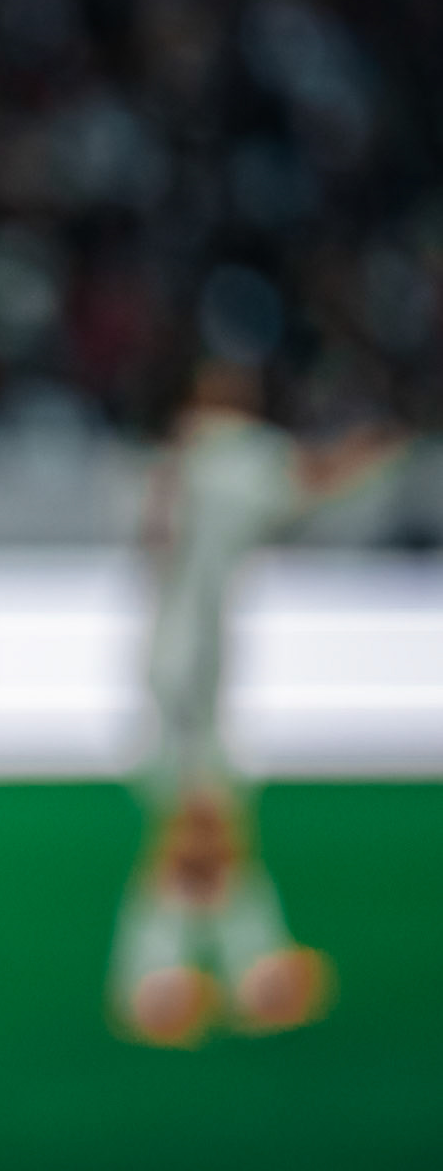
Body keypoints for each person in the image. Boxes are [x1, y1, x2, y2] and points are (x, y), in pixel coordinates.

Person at [108, 356, 404, 1048]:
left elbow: (152, 539)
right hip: (194, 662)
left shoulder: (174, 459)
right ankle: (171, 975)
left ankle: (229, 969)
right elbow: (311, 482)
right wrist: (380, 448)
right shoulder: (234, 455)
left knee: (206, 815)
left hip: (172, 650)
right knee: (200, 819)